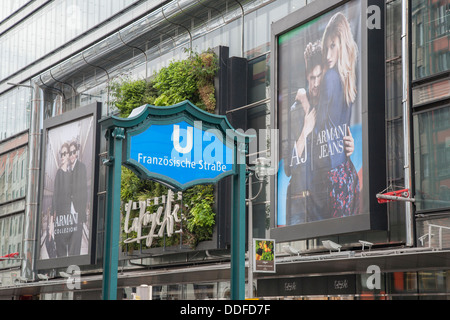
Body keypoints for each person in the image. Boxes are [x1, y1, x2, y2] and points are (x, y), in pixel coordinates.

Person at [316, 11, 360, 218]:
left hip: (331, 176)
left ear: (343, 44)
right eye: (326, 47)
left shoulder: (331, 78)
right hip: (347, 173)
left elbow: (319, 127)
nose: (327, 55)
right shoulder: (348, 80)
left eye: (333, 46)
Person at [52, 142, 73, 257]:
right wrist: (52, 219)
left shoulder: (71, 174)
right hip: (60, 215)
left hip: (69, 215)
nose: (63, 156)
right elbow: (55, 195)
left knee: (68, 243)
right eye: (62, 154)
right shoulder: (59, 174)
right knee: (60, 245)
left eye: (65, 153)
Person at [68, 139, 88, 256]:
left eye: (73, 152)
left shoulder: (81, 167)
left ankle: (74, 258)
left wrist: (81, 213)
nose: (71, 155)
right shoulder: (68, 168)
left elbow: (83, 191)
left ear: (76, 153)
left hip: (77, 209)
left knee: (77, 237)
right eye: (69, 153)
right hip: (69, 209)